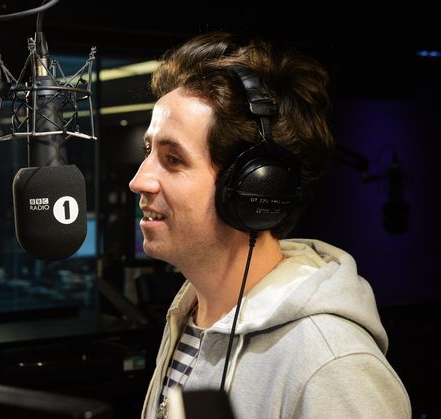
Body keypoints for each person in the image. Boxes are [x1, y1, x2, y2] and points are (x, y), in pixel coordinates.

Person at [129, 32, 410, 419]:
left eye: (173, 159)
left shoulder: (332, 365)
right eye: (149, 152)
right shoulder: (191, 315)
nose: (139, 180)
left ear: (253, 189)